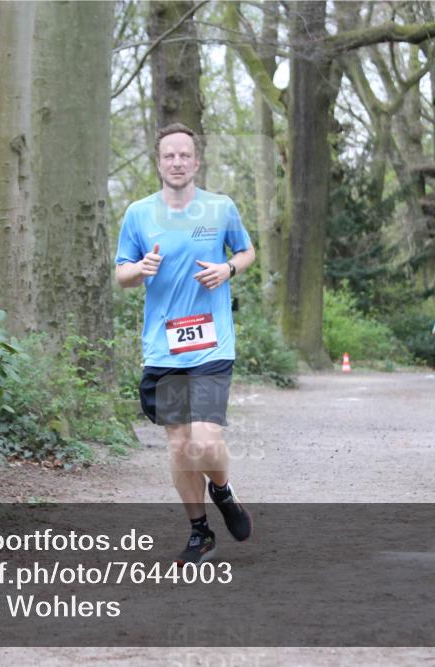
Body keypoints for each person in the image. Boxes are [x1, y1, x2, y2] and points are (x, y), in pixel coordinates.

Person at [115, 123, 256, 565]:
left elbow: (247, 251)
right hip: (164, 349)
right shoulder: (139, 213)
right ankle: (200, 531)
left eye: (184, 155)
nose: (177, 162)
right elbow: (121, 275)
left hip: (212, 345)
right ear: (158, 163)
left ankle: (222, 490)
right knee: (179, 446)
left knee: (206, 442)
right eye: (169, 155)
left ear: (196, 162)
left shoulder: (220, 208)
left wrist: (228, 270)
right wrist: (140, 268)